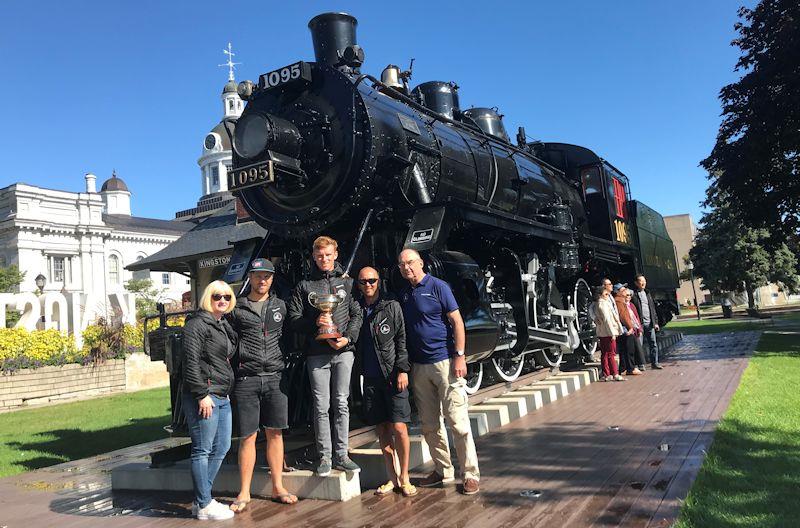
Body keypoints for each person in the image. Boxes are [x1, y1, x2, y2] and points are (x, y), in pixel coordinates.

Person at [397, 248, 480, 495]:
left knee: (458, 422)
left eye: (410, 263)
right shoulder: (404, 294)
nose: (406, 268)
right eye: (402, 265)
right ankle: (443, 470)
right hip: (419, 367)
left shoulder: (438, 286)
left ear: (420, 263)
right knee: (429, 424)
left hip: (445, 362)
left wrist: (460, 355)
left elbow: (457, 321)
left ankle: (470, 473)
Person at [287, 236, 363, 476]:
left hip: (343, 351)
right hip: (316, 354)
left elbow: (357, 315)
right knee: (320, 406)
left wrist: (348, 338)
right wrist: (314, 323)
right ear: (314, 257)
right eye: (320, 256)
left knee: (341, 403)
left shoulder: (348, 284)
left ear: (336, 254)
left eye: (328, 255)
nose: (324, 259)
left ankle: (342, 455)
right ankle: (325, 457)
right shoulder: (305, 285)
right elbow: (293, 319)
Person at [227, 258, 297, 511]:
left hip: (276, 376)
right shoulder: (238, 308)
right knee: (247, 436)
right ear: (251, 278)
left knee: (275, 432)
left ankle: (278, 485)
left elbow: (291, 335)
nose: (262, 280)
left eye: (267, 276)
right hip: (248, 377)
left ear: (272, 278)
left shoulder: (281, 306)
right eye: (258, 276)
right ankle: (244, 491)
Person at [355, 266, 417, 497]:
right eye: (363, 282)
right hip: (370, 377)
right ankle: (392, 477)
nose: (368, 285)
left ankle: (405, 476)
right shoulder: (357, 309)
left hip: (391, 374)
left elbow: (402, 338)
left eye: (371, 280)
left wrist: (403, 369)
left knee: (399, 427)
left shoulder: (391, 306)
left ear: (379, 282)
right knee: (381, 429)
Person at [181, 280, 237, 520]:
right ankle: (204, 504)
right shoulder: (197, 325)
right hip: (205, 396)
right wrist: (201, 395)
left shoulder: (222, 324)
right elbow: (190, 363)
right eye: (217, 296)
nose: (222, 300)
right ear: (208, 298)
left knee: (222, 447)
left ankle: (201, 499)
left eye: (226, 296)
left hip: (222, 395)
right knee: (202, 450)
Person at [592, 285, 624, 382]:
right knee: (611, 353)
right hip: (608, 332)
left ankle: (607, 374)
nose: (607, 295)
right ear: (600, 295)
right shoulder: (603, 304)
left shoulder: (598, 304)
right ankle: (615, 373)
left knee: (605, 354)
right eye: (605, 294)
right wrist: (612, 333)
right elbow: (607, 320)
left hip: (603, 332)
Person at [630, 274, 663, 369]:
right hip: (640, 325)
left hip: (650, 324)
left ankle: (655, 363)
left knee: (653, 344)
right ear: (636, 283)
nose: (643, 282)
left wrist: (655, 322)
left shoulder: (648, 294)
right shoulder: (634, 295)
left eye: (644, 281)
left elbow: (652, 309)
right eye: (641, 281)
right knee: (639, 346)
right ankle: (641, 365)